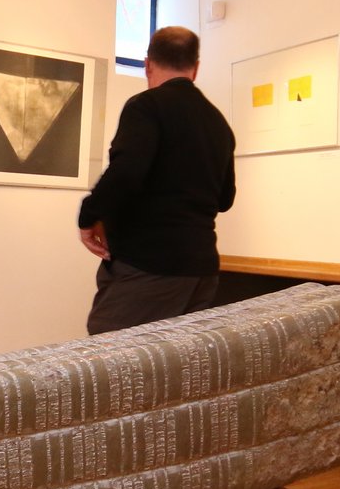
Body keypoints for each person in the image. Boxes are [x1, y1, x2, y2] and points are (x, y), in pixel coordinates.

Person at [77, 25, 236, 334]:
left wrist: (88, 216)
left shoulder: (146, 107)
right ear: (195, 68)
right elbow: (224, 199)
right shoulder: (218, 123)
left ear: (147, 64)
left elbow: (125, 173)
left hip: (149, 265)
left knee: (112, 355)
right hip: (201, 269)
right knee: (180, 358)